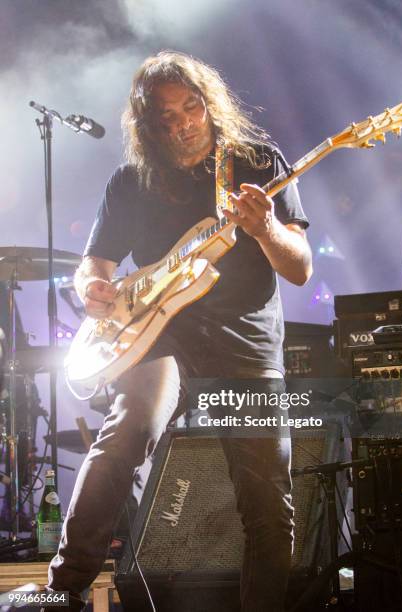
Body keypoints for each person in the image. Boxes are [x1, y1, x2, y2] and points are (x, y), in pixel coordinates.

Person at [46, 51, 312, 612]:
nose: (183, 123)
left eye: (191, 107)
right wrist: (91, 289)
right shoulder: (131, 182)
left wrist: (265, 228)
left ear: (210, 104)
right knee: (127, 432)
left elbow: (299, 266)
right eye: (165, 118)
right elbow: (94, 263)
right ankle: (62, 589)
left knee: (268, 503)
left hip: (247, 346)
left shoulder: (259, 162)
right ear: (149, 126)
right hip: (161, 339)